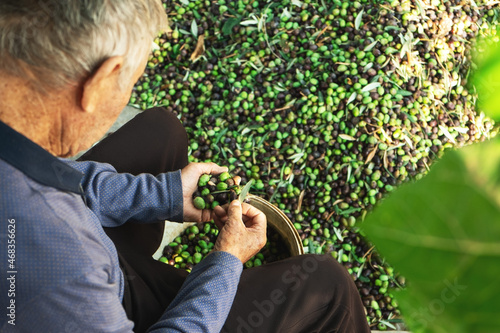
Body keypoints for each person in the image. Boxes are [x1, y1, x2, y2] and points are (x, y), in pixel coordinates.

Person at [0, 1, 371, 332]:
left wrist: (166, 194)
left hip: (94, 260)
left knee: (162, 131)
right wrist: (225, 263)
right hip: (104, 299)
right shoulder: (61, 264)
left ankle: (146, 271)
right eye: (129, 81)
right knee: (327, 286)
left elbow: (67, 182)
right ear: (99, 83)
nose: (128, 93)